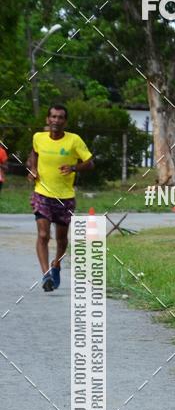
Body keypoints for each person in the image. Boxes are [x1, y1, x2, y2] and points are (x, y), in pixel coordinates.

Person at [28, 104, 94, 291]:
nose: (56, 120)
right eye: (53, 117)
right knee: (43, 234)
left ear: (65, 121)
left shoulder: (74, 140)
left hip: (65, 197)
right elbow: (34, 153)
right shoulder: (38, 137)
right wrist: (32, 169)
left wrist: (73, 168)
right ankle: (45, 275)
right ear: (47, 119)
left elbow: (90, 164)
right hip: (42, 193)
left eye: (60, 117)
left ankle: (56, 264)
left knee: (62, 239)